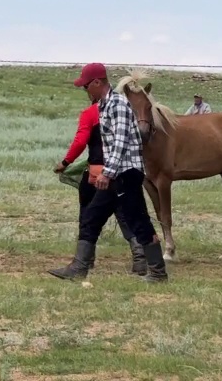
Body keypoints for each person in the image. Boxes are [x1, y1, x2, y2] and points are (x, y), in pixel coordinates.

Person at [49, 62, 168, 282]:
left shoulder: (118, 105)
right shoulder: (104, 106)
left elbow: (120, 143)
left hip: (125, 174)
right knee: (92, 217)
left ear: (97, 82)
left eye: (86, 86)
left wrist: (107, 173)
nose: (84, 90)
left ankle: (158, 273)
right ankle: (79, 267)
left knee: (138, 221)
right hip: (116, 174)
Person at [54, 99, 147, 275]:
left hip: (97, 175)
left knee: (88, 216)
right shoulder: (126, 113)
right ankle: (140, 260)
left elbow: (80, 141)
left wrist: (66, 162)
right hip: (123, 173)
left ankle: (86, 260)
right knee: (126, 216)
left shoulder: (90, 113)